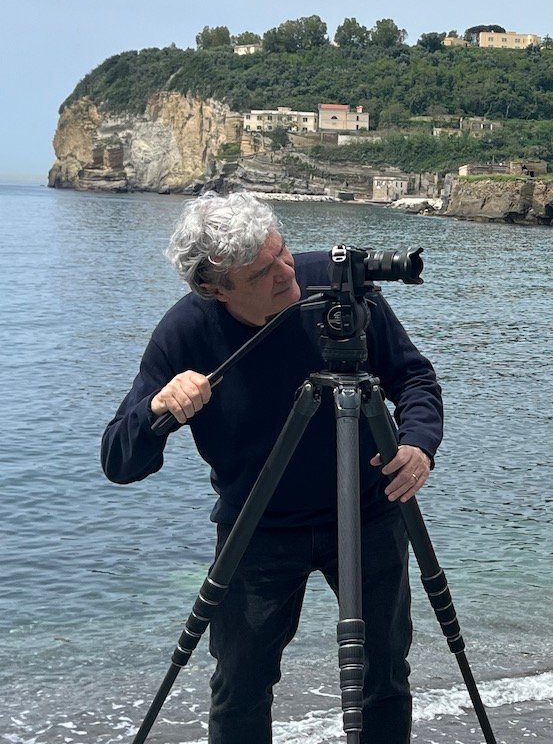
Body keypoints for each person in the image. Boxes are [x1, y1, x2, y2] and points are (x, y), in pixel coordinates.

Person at [102, 191, 443, 744]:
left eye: (283, 252)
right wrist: (158, 409)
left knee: (385, 675)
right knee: (240, 685)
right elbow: (119, 459)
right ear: (216, 289)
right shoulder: (186, 332)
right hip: (256, 528)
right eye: (264, 271)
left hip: (367, 514)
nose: (288, 273)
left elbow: (415, 380)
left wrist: (420, 444)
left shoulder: (339, 287)